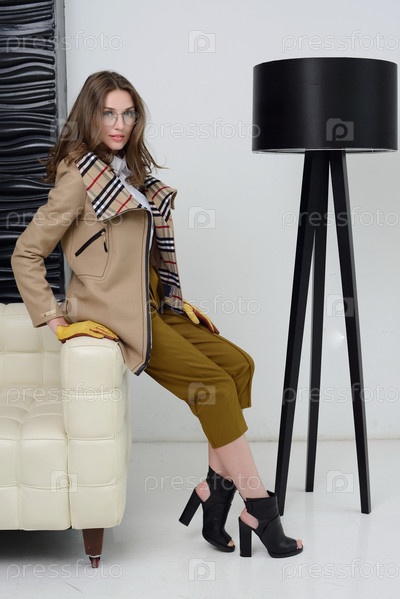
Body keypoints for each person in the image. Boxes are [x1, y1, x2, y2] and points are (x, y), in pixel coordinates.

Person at [11, 70, 303, 559]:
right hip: (118, 316)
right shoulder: (78, 178)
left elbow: (141, 254)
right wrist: (55, 320)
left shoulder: (129, 175)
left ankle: (213, 491)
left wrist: (173, 298)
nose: (119, 123)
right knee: (213, 388)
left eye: (128, 113)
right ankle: (258, 506)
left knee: (239, 366)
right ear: (89, 116)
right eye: (108, 113)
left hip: (155, 307)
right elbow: (26, 253)